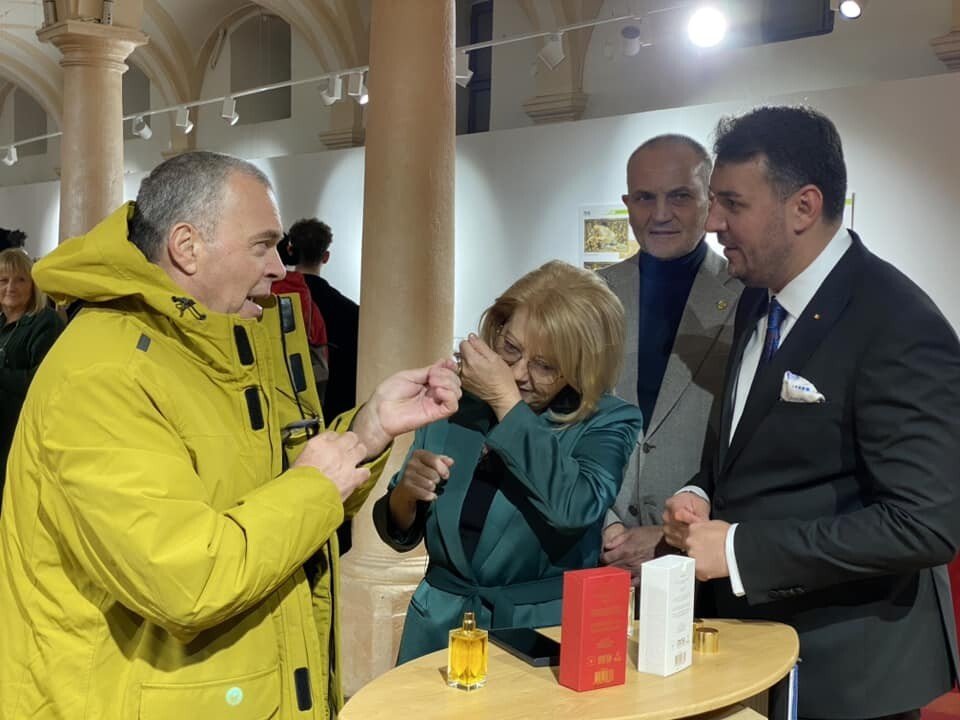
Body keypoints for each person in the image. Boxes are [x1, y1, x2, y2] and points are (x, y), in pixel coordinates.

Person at [0, 151, 461, 720]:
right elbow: (188, 578)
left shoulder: (213, 349)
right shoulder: (105, 372)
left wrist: (366, 434)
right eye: (262, 245)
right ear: (186, 246)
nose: (279, 267)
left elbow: (261, 499)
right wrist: (315, 486)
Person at [663, 106, 960, 719]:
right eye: (715, 201)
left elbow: (924, 524)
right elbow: (756, 450)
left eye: (732, 204)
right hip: (754, 654)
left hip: (850, 675)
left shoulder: (898, 323)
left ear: (803, 207)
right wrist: (701, 491)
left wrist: (741, 551)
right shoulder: (757, 299)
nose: (713, 223)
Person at [373, 260, 644, 663]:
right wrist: (406, 495)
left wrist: (505, 402)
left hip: (539, 640)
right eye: (511, 349)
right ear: (496, 329)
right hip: (436, 630)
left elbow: (575, 508)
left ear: (581, 366)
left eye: (545, 365)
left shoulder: (607, 420)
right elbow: (401, 530)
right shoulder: (458, 402)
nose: (516, 374)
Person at [599, 135, 742, 584]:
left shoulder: (748, 299)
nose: (660, 214)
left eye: (679, 196)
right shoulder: (592, 297)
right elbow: (561, 422)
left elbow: (751, 446)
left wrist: (671, 535)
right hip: (600, 557)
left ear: (709, 201)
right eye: (645, 197)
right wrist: (607, 527)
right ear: (627, 203)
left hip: (701, 565)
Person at [0, 248, 63, 500]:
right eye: (3, 280)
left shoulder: (46, 322)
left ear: (33, 284)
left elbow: (41, 382)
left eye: (20, 280)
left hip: (21, 436)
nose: (10, 287)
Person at [282, 218, 359, 422]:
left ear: (290, 251)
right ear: (326, 257)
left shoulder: (268, 300)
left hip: (280, 413)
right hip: (331, 418)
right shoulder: (351, 312)